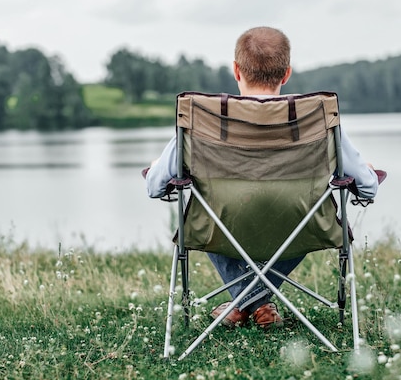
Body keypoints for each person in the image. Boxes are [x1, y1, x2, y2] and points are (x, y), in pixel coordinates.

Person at [145, 26, 378, 329]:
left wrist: (155, 166)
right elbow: (368, 188)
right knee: (297, 218)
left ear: (236, 70)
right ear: (287, 74)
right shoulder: (318, 117)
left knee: (210, 213)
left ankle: (242, 303)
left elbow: (155, 187)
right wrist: (368, 171)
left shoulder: (202, 118)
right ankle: (260, 303)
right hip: (300, 227)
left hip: (222, 227)